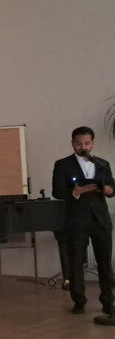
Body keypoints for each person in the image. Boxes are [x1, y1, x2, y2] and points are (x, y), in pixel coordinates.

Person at [52, 126, 114, 316]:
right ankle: (79, 301)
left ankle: (108, 302)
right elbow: (57, 191)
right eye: (79, 144)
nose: (83, 147)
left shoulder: (102, 163)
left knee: (105, 261)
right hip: (76, 219)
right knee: (76, 261)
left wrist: (109, 190)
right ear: (73, 144)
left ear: (92, 144)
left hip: (100, 219)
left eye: (87, 143)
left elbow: (111, 186)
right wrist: (76, 192)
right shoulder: (63, 164)